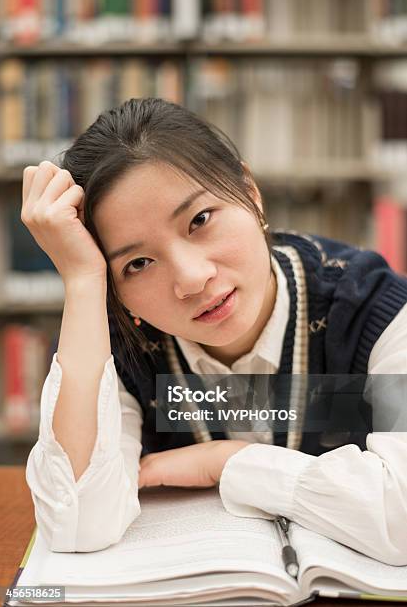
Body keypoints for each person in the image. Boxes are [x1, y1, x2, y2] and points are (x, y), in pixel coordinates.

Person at [23, 98, 407, 563]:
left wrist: (227, 462)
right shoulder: (112, 340)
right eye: (138, 263)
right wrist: (83, 283)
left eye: (200, 220)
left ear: (250, 192)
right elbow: (77, 523)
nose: (191, 278)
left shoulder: (373, 308)